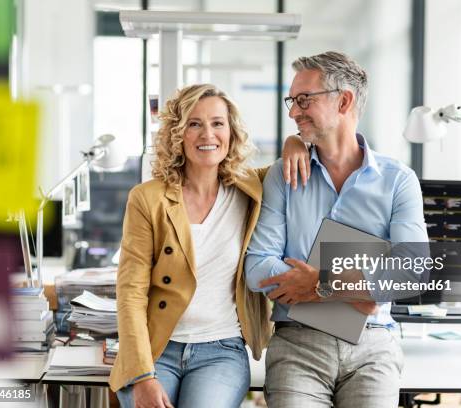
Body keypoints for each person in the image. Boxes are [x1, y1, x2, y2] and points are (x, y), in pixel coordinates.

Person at [245, 51, 429, 407]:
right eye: (292, 100)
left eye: (303, 100)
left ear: (343, 100)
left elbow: (412, 270)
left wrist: (320, 284)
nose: (293, 112)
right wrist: (361, 293)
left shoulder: (398, 180)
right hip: (298, 343)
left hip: (373, 344)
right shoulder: (283, 177)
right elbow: (257, 268)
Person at [109, 84, 310, 408]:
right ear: (178, 133)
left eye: (218, 123)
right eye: (194, 123)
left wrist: (294, 141)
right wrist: (142, 376)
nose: (208, 134)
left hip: (221, 351)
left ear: (231, 131)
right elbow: (130, 292)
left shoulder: (252, 188)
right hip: (157, 347)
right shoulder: (148, 199)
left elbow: (295, 159)